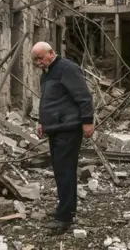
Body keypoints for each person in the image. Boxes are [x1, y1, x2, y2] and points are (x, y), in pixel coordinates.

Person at [31, 41, 94, 233]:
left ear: (52, 53)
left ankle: (64, 218)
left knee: (65, 171)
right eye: (34, 60)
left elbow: (83, 96)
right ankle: (65, 208)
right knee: (61, 170)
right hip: (55, 127)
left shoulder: (67, 68)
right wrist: (42, 122)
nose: (38, 62)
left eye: (40, 58)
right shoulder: (48, 74)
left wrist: (87, 121)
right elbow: (48, 101)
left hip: (68, 128)